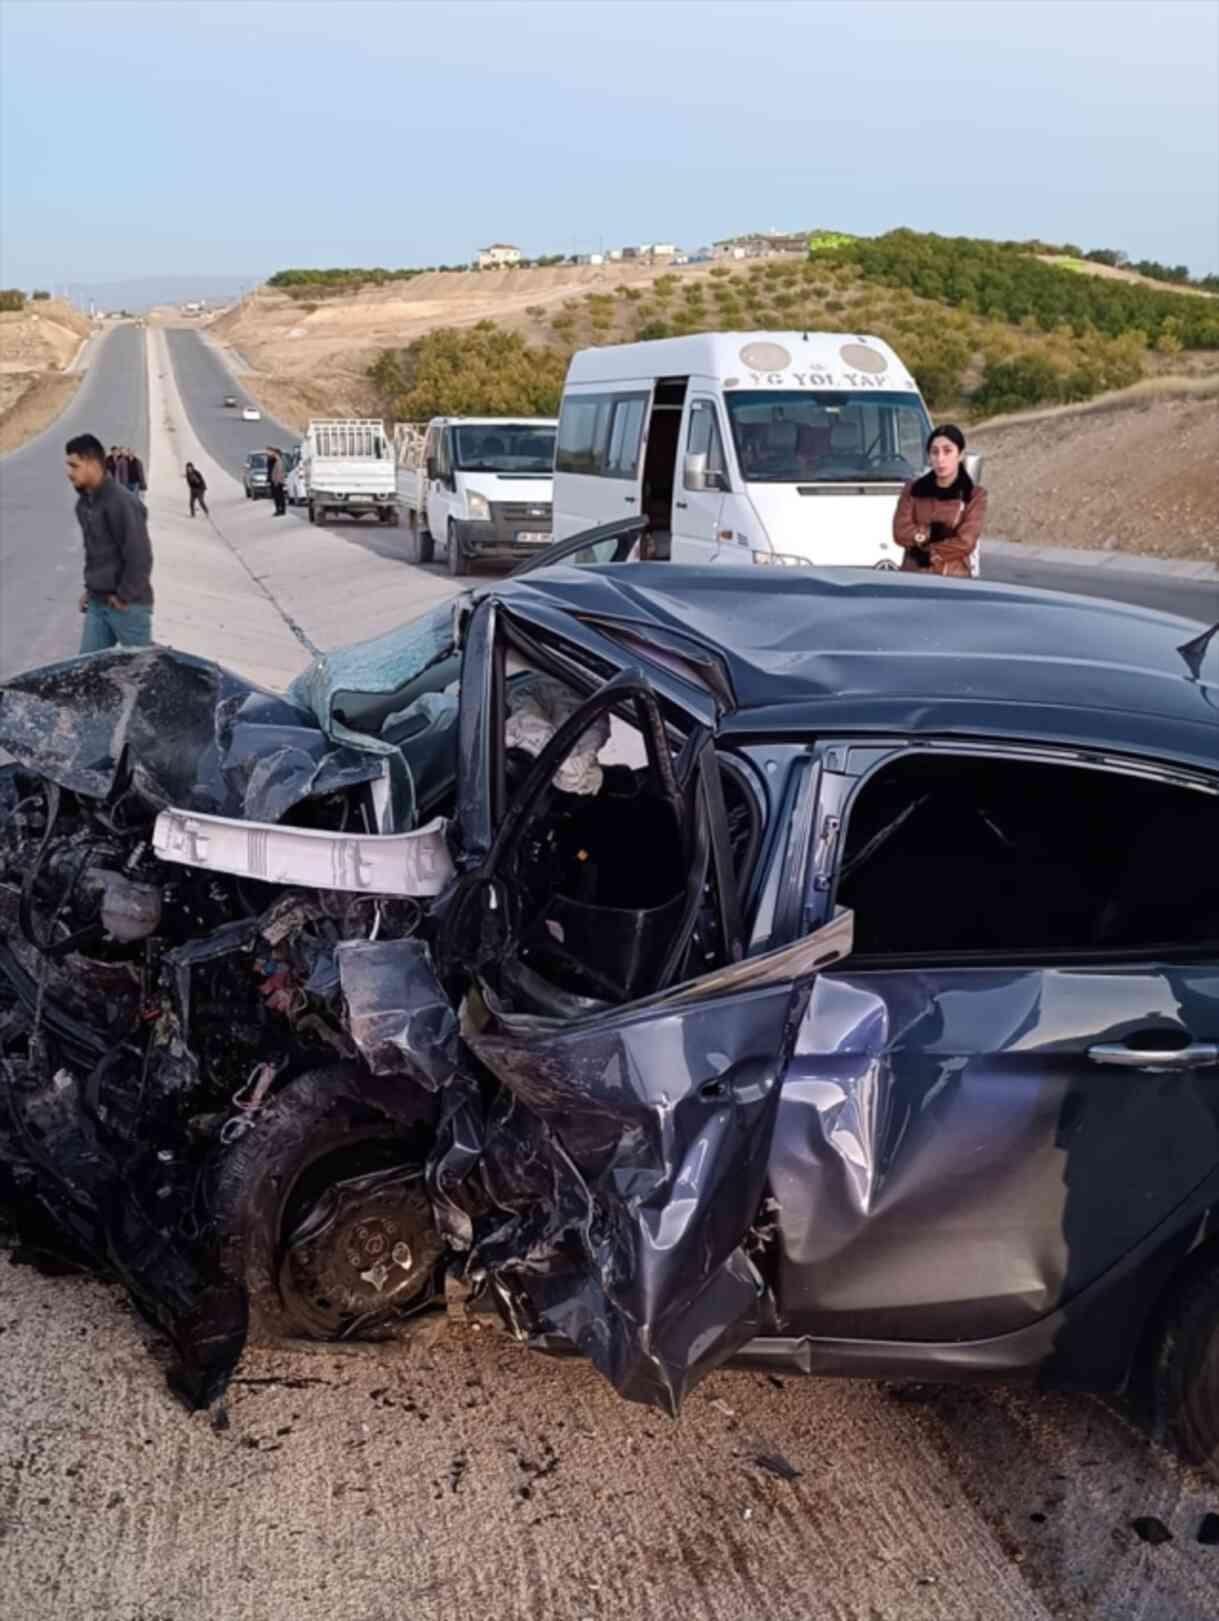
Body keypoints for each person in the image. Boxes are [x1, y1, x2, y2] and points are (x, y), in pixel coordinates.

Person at [65, 432, 154, 653]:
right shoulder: (84, 504)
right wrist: (91, 588)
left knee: (137, 679)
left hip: (129, 607)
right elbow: (97, 555)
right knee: (87, 676)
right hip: (98, 603)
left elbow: (140, 556)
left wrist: (124, 596)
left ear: (93, 463)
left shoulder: (121, 502)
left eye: (74, 466)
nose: (69, 473)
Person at [893, 424, 987, 578]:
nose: (940, 458)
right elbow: (900, 532)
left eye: (947, 451)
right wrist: (933, 533)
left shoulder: (975, 495)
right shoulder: (913, 489)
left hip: (953, 580)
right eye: (934, 452)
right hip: (912, 577)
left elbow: (966, 541)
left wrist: (929, 552)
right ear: (929, 456)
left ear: (961, 455)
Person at [267, 445, 287, 515]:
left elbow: (279, 471)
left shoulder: (277, 460)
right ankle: (279, 509)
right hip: (274, 480)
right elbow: (270, 471)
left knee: (279, 496)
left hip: (277, 481)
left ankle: (280, 510)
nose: (267, 453)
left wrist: (277, 481)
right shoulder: (271, 459)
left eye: (269, 451)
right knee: (277, 496)